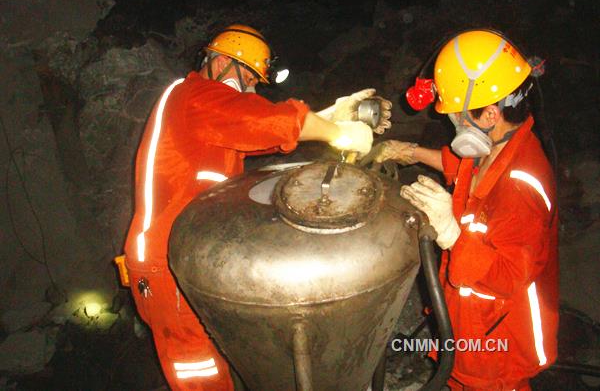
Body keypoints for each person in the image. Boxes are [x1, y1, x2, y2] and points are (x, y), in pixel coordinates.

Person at [118, 24, 389, 391]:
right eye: (246, 76)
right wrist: (333, 133)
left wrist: (332, 115)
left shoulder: (211, 117)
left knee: (216, 354)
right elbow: (259, 120)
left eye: (254, 82)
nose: (248, 88)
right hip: (165, 259)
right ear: (219, 62)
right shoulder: (193, 95)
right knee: (196, 369)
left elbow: (260, 132)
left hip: (192, 254)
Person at [363, 30, 558, 390]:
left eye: (456, 117)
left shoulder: (520, 187)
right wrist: (408, 152)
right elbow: (462, 168)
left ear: (489, 113)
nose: (452, 125)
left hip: (495, 345)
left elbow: (508, 277)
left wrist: (452, 234)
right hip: (468, 321)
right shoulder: (496, 145)